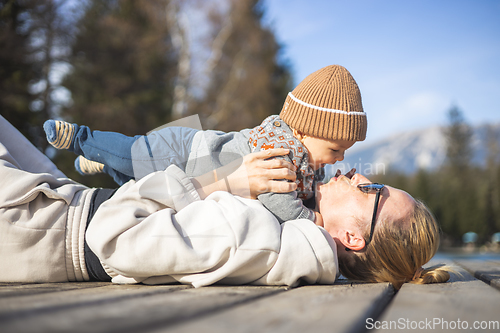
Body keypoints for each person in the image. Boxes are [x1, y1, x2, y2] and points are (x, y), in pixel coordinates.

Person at [0, 115, 450, 289]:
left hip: (36, 224)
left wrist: (223, 181)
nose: (360, 174)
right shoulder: (289, 215)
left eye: (372, 191)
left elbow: (109, 238)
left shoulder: (265, 239)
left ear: (352, 236)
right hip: (64, 204)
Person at [43, 64, 366, 225]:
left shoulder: (303, 161)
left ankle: (103, 163)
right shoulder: (281, 154)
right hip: (184, 152)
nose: (338, 158)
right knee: (132, 154)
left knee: (140, 184)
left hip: (190, 170)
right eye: (336, 149)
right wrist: (315, 220)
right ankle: (82, 138)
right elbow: (280, 202)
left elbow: (307, 189)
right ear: (305, 132)